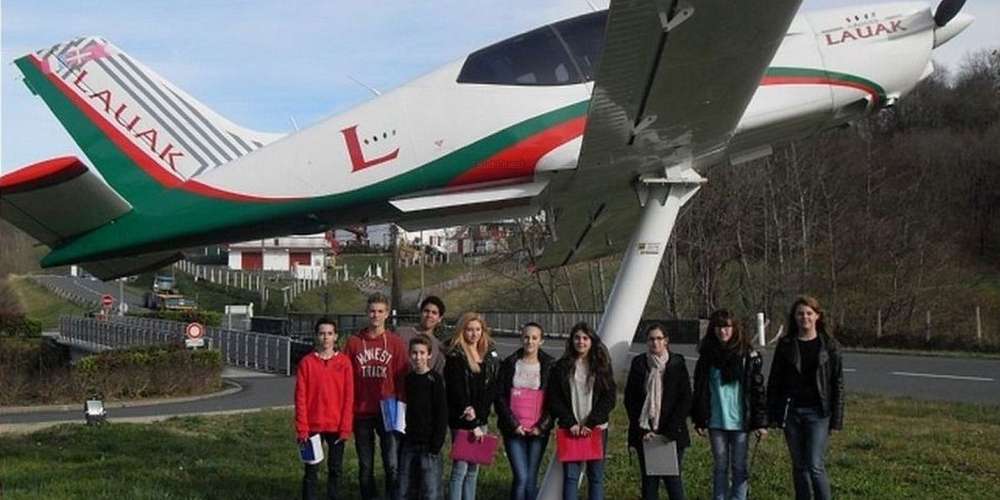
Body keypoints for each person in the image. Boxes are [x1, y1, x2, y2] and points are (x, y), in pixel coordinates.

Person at [767, 296, 844, 500]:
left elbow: (837, 383)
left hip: (818, 412)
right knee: (799, 465)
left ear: (817, 316)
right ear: (794, 317)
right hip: (791, 412)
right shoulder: (786, 345)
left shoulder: (829, 345)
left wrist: (836, 419)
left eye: (809, 313)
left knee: (814, 464)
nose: (805, 317)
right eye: (800, 313)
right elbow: (774, 381)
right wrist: (772, 414)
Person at [691, 310, 767, 500]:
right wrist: (699, 418)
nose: (722, 331)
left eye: (726, 327)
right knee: (720, 466)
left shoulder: (748, 355)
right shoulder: (707, 356)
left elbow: (757, 390)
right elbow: (700, 389)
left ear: (734, 329)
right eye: (718, 327)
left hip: (740, 421)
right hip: (716, 420)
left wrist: (760, 422)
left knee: (739, 466)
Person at [345, 293, 409, 500]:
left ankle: (393, 496)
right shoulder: (354, 343)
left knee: (391, 462)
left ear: (387, 314)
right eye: (372, 311)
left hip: (388, 409)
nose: (376, 315)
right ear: (367, 312)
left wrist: (401, 407)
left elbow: (401, 377)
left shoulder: (395, 343)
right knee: (366, 465)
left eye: (380, 311)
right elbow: (346, 377)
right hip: (362, 410)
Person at [546, 322, 616, 500]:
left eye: (585, 338)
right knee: (570, 477)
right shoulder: (561, 366)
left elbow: (609, 398)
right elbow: (554, 399)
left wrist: (592, 422)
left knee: (596, 477)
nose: (581, 342)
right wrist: (570, 422)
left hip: (596, 429)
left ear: (592, 340)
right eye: (577, 338)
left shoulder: (602, 365)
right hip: (571, 429)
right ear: (571, 341)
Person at [624, 323, 692, 500]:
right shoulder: (639, 363)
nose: (655, 342)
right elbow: (630, 399)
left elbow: (684, 398)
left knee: (673, 481)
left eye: (659, 338)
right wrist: (643, 429)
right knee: (649, 482)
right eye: (651, 339)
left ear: (666, 341)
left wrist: (669, 430)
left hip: (671, 433)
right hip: (645, 433)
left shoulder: (677, 363)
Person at [295, 318, 354, 500]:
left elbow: (348, 397)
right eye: (322, 333)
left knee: (335, 470)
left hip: (336, 427)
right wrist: (302, 428)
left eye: (329, 334)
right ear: (316, 336)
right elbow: (300, 397)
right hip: (312, 427)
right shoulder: (306, 363)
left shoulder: (344, 363)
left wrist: (345, 427)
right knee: (311, 471)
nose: (325, 338)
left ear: (336, 336)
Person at [495, 322, 556, 500]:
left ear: (541, 341)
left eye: (534, 338)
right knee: (521, 476)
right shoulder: (510, 363)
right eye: (526, 337)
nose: (530, 341)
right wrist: (513, 424)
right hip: (514, 429)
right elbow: (500, 397)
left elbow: (553, 401)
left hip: (538, 430)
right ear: (521, 339)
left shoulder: (549, 365)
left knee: (530, 478)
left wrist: (542, 426)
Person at [444, 312, 500, 500]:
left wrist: (480, 420)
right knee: (460, 469)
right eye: (469, 329)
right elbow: (456, 390)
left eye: (477, 329)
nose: (474, 334)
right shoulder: (455, 355)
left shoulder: (489, 355)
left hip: (482, 418)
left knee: (473, 468)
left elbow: (491, 387)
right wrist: (471, 421)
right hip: (462, 419)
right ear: (462, 330)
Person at [398, 336, 448, 500]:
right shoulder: (408, 379)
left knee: (430, 490)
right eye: (414, 353)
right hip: (410, 441)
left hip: (429, 444)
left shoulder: (435, 380)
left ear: (429, 355)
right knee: (406, 489)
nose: (417, 357)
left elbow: (441, 413)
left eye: (422, 353)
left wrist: (436, 443)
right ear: (409, 354)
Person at [396, 296, 447, 375]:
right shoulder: (401, 333)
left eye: (434, 313)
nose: (429, 315)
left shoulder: (438, 347)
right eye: (426, 311)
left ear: (440, 318)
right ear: (420, 313)